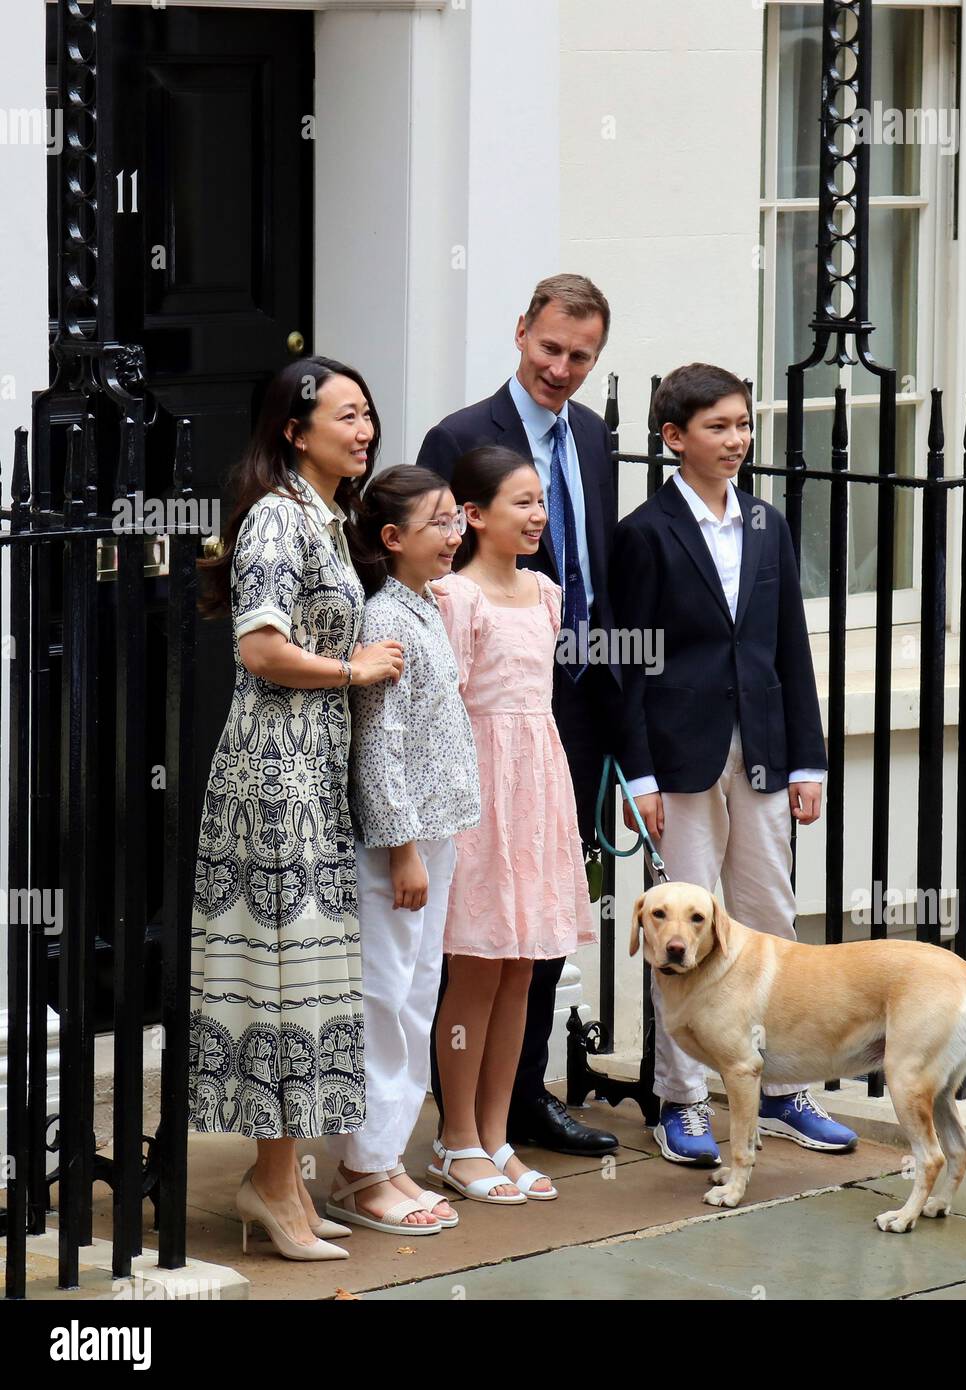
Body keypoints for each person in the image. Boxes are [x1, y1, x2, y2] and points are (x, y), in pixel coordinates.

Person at [609, 363, 859, 1165]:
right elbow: (625, 661)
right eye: (717, 427)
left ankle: (782, 1089)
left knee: (768, 919)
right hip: (678, 762)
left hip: (762, 751)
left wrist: (807, 761)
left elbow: (788, 642)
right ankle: (680, 1102)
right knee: (678, 935)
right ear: (673, 437)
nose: (736, 440)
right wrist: (637, 776)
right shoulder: (644, 532)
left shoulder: (765, 525)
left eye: (743, 424)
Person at [189, 356, 405, 1260]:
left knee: (308, 984)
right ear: (294, 429)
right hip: (271, 783)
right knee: (281, 983)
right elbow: (261, 650)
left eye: (367, 414)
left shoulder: (328, 516)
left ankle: (281, 1180)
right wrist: (358, 668)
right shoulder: (280, 517)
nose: (363, 430)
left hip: (311, 776)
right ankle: (273, 1185)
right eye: (345, 416)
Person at [416, 273, 619, 1157]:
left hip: (566, 707)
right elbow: (431, 582)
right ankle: (459, 1117)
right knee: (475, 929)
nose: (562, 369)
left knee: (537, 921)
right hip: (480, 716)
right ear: (519, 334)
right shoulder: (460, 437)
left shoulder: (596, 436)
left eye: (580, 356)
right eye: (549, 349)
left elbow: (597, 573)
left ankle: (522, 1099)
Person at [427, 446, 597, 1204]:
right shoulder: (452, 598)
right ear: (474, 514)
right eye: (520, 502)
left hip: (538, 786)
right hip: (479, 793)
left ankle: (495, 1135)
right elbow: (444, 712)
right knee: (475, 966)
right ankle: (454, 1138)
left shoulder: (547, 593)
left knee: (523, 967)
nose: (536, 516)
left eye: (540, 502)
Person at [325, 466, 478, 1235]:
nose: (455, 535)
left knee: (416, 996)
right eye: (438, 523)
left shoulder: (427, 609)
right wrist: (403, 850)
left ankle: (383, 1156)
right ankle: (360, 1170)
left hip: (435, 835)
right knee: (386, 999)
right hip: (399, 846)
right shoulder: (382, 619)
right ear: (392, 540)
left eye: (457, 520)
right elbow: (377, 750)